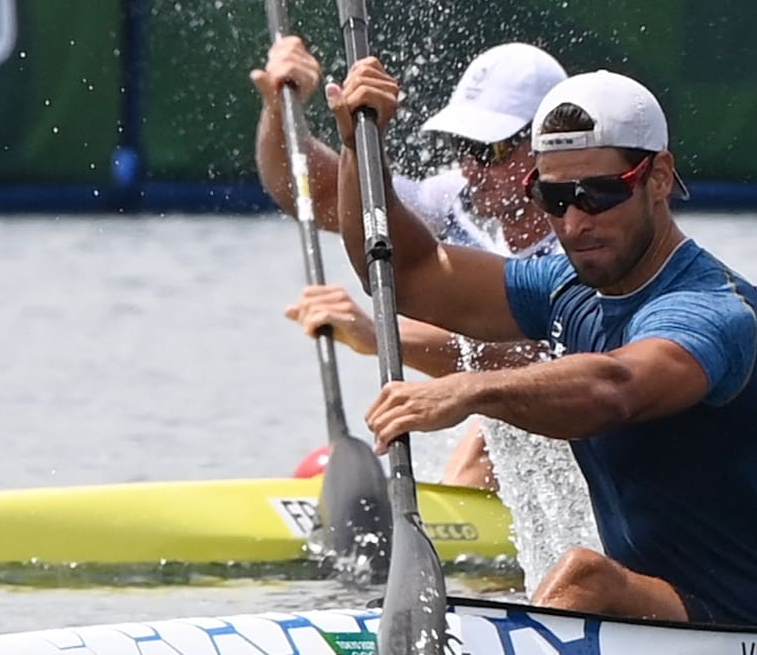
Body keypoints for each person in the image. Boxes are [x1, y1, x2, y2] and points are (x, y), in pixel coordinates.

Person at [324, 60, 757, 627]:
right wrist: (358, 148)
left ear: (659, 177)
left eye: (598, 194)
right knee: (587, 581)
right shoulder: (563, 288)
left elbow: (616, 388)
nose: (573, 221)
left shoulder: (712, 310)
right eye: (554, 196)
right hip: (654, 619)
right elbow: (408, 273)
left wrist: (470, 391)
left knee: (584, 577)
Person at [252, 35, 600, 589]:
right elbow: (311, 196)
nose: (471, 166)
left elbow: (530, 366)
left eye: (490, 151)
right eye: (464, 145)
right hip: (508, 440)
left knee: (492, 423)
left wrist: (379, 335)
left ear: (546, 149)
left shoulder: (584, 241)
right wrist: (284, 110)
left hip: (583, 447)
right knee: (482, 427)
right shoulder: (452, 201)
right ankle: (456, 525)